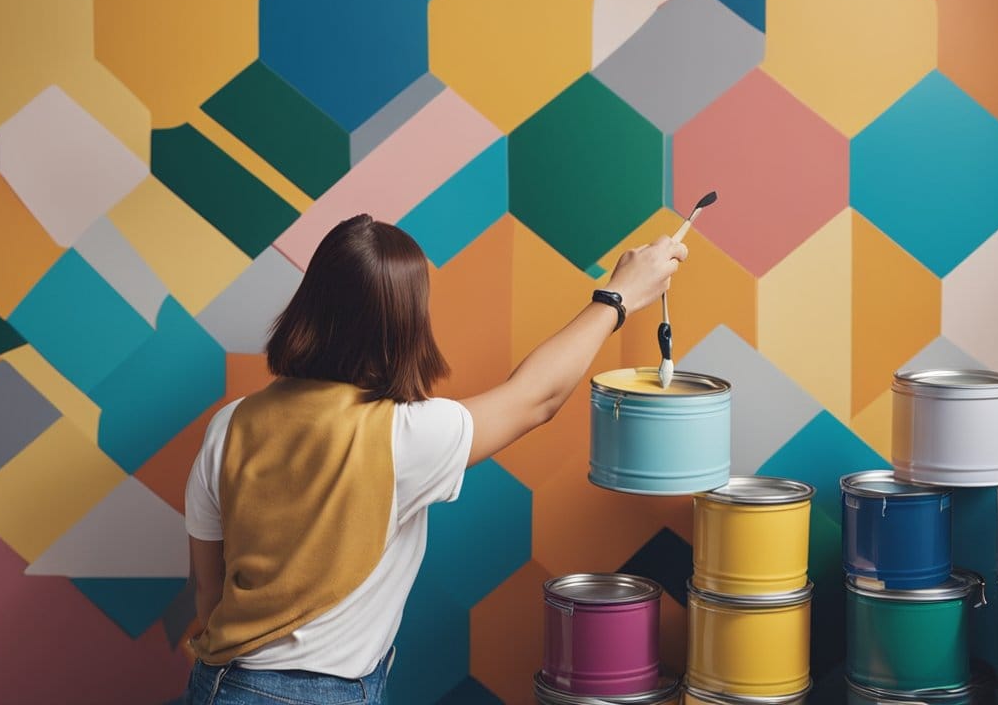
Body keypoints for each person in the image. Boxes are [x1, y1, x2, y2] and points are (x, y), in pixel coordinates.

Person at [181, 213, 687, 705]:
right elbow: (538, 398)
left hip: (219, 682)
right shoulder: (403, 435)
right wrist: (615, 299)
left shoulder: (229, 425)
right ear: (405, 324)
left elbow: (208, 592)